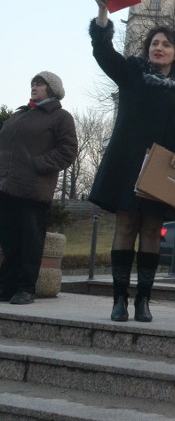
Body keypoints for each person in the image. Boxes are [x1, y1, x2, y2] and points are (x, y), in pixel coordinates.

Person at [90, 0, 175, 323]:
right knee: (125, 224)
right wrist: (104, 13)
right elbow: (104, 52)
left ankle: (143, 301)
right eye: (154, 43)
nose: (158, 48)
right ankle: (119, 299)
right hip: (127, 159)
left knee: (151, 230)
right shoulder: (132, 72)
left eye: (165, 44)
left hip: (162, 166)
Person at [0, 73, 77, 304]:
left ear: (52, 89)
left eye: (40, 83)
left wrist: (38, 164)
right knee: (9, 240)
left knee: (30, 241)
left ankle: (26, 288)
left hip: (33, 188)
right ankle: (6, 286)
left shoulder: (60, 117)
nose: (34, 86)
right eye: (33, 82)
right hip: (6, 186)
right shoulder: (18, 115)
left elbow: (68, 151)